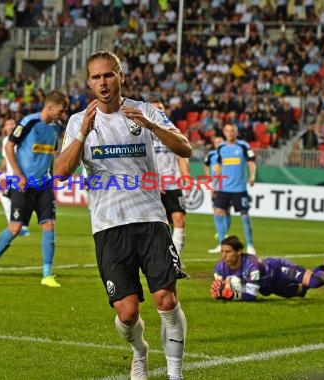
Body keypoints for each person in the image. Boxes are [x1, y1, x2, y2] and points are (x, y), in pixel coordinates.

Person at [55, 51, 191, 380]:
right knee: (128, 314)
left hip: (150, 219)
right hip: (109, 225)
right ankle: (140, 351)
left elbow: (185, 148)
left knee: (166, 299)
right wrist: (84, 133)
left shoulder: (144, 111)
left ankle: (176, 375)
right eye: (96, 77)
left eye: (109, 75)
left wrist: (153, 127)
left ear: (121, 76)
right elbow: (60, 172)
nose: (103, 82)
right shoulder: (78, 121)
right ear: (89, 82)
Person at [0, 90, 68, 287]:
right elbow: (9, 146)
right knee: (15, 228)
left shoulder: (56, 127)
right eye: (61, 111)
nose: (63, 115)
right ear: (50, 107)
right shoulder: (29, 122)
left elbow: (51, 154)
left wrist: (54, 176)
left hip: (44, 184)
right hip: (22, 184)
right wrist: (18, 175)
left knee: (49, 226)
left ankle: (47, 275)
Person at [211, 236, 324, 302]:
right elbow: (219, 287)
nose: (224, 255)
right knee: (301, 291)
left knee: (314, 282)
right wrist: (223, 291)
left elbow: (251, 296)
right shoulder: (220, 267)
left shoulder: (251, 265)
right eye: (222, 251)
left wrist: (232, 296)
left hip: (279, 269)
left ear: (239, 251)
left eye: (228, 251)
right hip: (271, 286)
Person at [208, 123, 257, 254]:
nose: (230, 133)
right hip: (223, 188)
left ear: (236, 132)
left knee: (245, 215)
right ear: (224, 132)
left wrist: (252, 175)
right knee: (218, 212)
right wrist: (214, 185)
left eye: (232, 131)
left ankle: (250, 245)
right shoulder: (221, 148)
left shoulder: (243, 146)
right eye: (228, 131)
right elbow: (218, 166)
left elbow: (251, 162)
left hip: (239, 189)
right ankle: (221, 243)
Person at [151, 99, 190, 256]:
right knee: (158, 225)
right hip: (152, 186)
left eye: (160, 108)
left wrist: (186, 175)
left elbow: (181, 156)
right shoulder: (142, 133)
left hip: (173, 184)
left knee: (179, 220)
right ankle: (159, 257)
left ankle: (176, 259)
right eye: (154, 109)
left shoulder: (173, 132)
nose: (158, 111)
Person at [0, 118, 29, 237]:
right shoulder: (6, 140)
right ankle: (19, 225)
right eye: (8, 124)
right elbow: (6, 158)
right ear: (4, 128)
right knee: (13, 199)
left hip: (17, 176)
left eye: (13, 124)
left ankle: (19, 225)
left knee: (6, 199)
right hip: (12, 176)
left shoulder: (20, 139)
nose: (11, 125)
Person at [204, 135, 232, 246]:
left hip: (227, 185)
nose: (218, 144)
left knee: (227, 211)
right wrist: (208, 177)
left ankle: (224, 236)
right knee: (217, 210)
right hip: (216, 186)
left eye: (220, 142)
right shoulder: (211, 154)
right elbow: (206, 165)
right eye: (216, 142)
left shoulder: (227, 153)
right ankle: (223, 238)